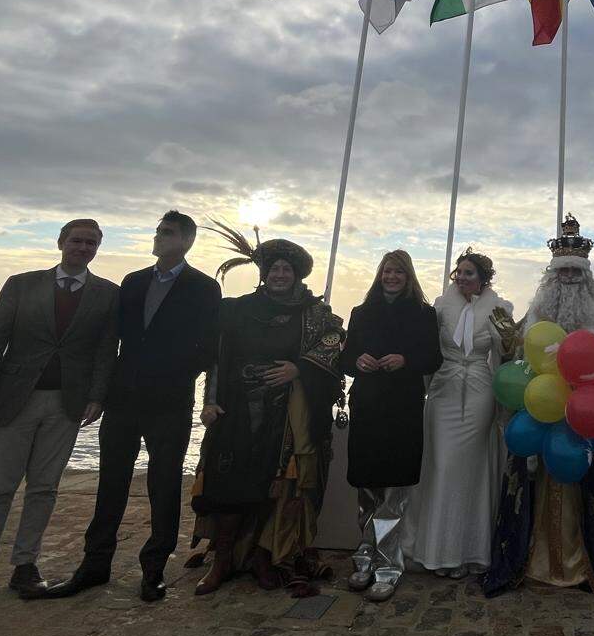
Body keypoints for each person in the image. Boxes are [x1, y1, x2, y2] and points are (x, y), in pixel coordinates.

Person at [0, 220, 119, 616]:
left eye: (91, 243)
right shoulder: (21, 285)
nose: (83, 248)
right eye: (76, 240)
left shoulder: (107, 294)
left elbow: (107, 350)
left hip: (67, 405)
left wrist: (97, 397)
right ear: (61, 242)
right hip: (13, 400)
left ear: (97, 249)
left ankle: (25, 566)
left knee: (44, 488)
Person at [39, 212, 221, 603]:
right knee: (111, 483)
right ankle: (94, 565)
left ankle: (154, 570)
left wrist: (176, 375)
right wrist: (99, 391)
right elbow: (112, 339)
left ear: (186, 241)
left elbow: (209, 347)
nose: (158, 237)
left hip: (170, 401)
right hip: (123, 398)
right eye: (157, 231)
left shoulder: (204, 287)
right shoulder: (134, 281)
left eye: (166, 233)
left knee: (165, 485)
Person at [484, 216, 594, 598]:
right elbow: (516, 363)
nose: (569, 279)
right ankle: (534, 561)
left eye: (576, 272)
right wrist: (508, 342)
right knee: (537, 487)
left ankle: (581, 564)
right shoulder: (533, 318)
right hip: (540, 417)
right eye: (563, 272)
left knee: (585, 488)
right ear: (552, 277)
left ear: (587, 278)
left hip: (586, 421)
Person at [188, 234, 345, 596]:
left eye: (286, 269)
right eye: (274, 268)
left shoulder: (314, 314)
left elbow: (335, 343)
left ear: (296, 275)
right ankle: (223, 559)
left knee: (273, 486)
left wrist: (299, 368)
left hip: (286, 414)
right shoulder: (236, 309)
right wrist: (209, 401)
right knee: (226, 483)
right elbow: (217, 358)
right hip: (236, 408)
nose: (279, 274)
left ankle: (263, 556)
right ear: (264, 272)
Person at [402, 249, 513, 578]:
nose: (462, 278)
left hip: (479, 391)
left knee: (470, 468)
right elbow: (425, 348)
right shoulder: (440, 307)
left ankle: (467, 551)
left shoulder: (499, 308)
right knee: (441, 464)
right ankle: (434, 550)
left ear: (482, 279)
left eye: (469, 273)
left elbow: (506, 353)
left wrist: (509, 338)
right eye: (459, 272)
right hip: (444, 390)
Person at [340, 250, 442, 602]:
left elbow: (434, 358)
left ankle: (388, 568)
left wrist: (406, 360)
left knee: (394, 494)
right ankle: (364, 558)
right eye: (387, 271)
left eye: (398, 271)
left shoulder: (424, 314)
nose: (392, 277)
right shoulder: (361, 312)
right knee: (366, 490)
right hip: (367, 408)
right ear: (379, 274)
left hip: (402, 410)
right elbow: (345, 359)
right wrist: (357, 360)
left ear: (408, 276)